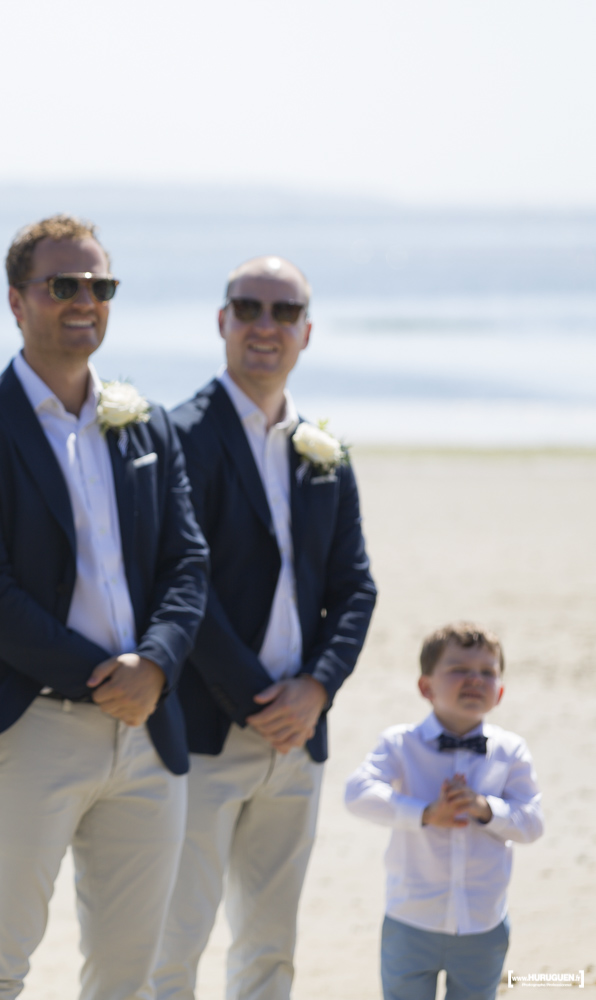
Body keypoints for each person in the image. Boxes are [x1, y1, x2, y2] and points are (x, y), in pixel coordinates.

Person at [0, 215, 209, 1000]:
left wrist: (155, 664)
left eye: (101, 286)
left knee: (130, 974)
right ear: (16, 301)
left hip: (148, 729)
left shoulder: (146, 423)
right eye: (63, 285)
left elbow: (188, 562)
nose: (85, 301)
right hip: (26, 725)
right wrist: (103, 675)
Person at [151, 256, 377, 1000]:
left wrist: (315, 690)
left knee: (271, 949)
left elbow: (355, 587)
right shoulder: (181, 435)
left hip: (298, 740)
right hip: (204, 734)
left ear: (306, 332)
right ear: (222, 321)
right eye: (248, 308)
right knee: (172, 944)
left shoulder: (324, 452)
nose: (265, 325)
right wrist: (257, 699)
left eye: (285, 312)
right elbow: (182, 585)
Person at [344, 623, 543, 1000]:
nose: (475, 679)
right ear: (426, 687)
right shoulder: (400, 744)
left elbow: (533, 823)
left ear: (500, 691)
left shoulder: (511, 751)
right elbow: (357, 793)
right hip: (410, 919)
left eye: (487, 672)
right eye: (458, 669)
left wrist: (487, 809)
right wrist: (424, 813)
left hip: (483, 924)